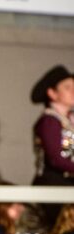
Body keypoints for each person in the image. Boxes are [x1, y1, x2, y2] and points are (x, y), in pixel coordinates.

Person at [31, 64, 74, 223]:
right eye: (67, 87)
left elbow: (69, 154)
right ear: (52, 93)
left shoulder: (68, 121)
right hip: (53, 183)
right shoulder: (49, 121)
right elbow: (57, 158)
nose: (73, 91)